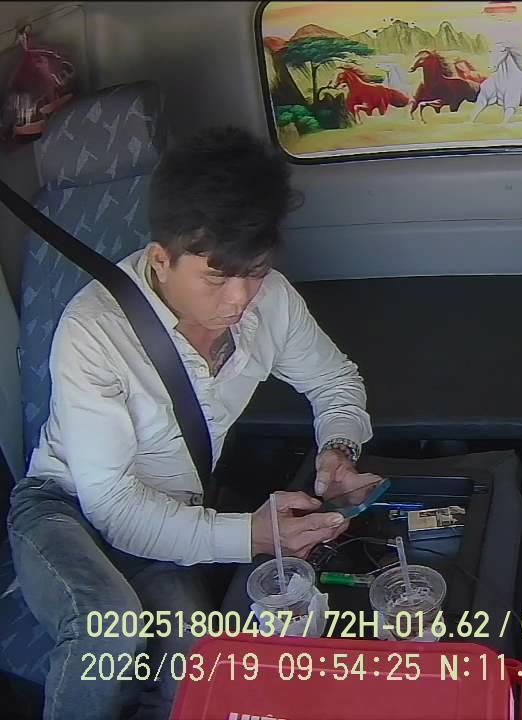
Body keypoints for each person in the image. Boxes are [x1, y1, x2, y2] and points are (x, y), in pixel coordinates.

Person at [8, 126, 381, 720]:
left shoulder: (271, 301)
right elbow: (112, 506)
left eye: (255, 271)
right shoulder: (93, 332)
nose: (240, 298)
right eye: (217, 276)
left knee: (200, 668)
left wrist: (338, 449)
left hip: (171, 511)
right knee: (112, 627)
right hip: (65, 508)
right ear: (162, 260)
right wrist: (252, 535)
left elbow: (334, 382)